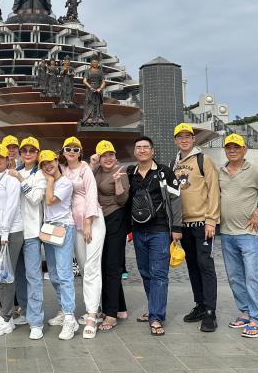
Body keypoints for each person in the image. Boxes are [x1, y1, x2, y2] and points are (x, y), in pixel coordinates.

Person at [218, 133, 258, 338]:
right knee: (234, 276)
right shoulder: (220, 171)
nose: (232, 150)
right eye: (229, 147)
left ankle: (256, 318)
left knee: (252, 276)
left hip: (247, 233)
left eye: (237, 147)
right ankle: (244, 312)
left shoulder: (254, 170)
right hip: (226, 233)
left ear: (244, 150)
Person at [127, 136, 183, 336]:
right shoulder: (130, 174)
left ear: (153, 151)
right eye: (138, 147)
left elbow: (176, 200)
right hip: (139, 230)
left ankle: (156, 317)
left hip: (160, 230)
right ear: (135, 152)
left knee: (159, 273)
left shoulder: (164, 172)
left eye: (145, 147)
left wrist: (177, 228)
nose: (142, 150)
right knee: (145, 271)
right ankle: (155, 309)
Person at [51, 137, 104, 339]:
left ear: (80, 151)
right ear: (63, 151)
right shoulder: (62, 169)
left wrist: (89, 222)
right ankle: (93, 307)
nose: (71, 151)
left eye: (75, 148)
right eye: (68, 148)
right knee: (83, 267)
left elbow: (92, 194)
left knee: (91, 266)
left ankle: (91, 316)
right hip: (72, 223)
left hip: (92, 222)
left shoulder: (85, 169)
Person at [173, 123, 220, 332]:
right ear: (175, 140)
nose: (184, 140)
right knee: (192, 264)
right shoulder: (174, 163)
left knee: (205, 264)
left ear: (193, 140)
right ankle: (200, 304)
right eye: (180, 137)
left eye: (187, 136)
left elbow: (214, 190)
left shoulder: (204, 160)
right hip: (184, 223)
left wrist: (211, 219)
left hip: (202, 222)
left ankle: (210, 311)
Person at [8, 136, 47, 339]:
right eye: (25, 150)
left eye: (32, 150)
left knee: (33, 277)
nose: (28, 153)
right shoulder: (12, 172)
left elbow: (35, 198)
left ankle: (36, 321)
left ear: (37, 153)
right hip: (14, 231)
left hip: (31, 233)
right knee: (18, 276)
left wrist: (20, 180)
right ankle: (24, 310)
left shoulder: (40, 174)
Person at [89, 140, 129, 331]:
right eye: (104, 155)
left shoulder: (120, 170)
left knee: (111, 265)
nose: (108, 158)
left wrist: (119, 181)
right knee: (103, 263)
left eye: (111, 154)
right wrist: (92, 162)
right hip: (100, 219)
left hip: (115, 218)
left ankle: (111, 314)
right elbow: (85, 184)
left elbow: (122, 200)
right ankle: (120, 307)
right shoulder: (95, 170)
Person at [0, 143, 24, 337]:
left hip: (10, 233)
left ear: (8, 159)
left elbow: (11, 206)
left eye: (0, 157)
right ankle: (3, 313)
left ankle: (8, 317)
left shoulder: (11, 178)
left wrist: (6, 233)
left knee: (6, 275)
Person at [39, 149, 79, 340]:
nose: (48, 165)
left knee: (64, 273)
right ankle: (64, 310)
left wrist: (49, 181)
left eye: (50, 161)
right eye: (43, 163)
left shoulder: (64, 183)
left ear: (56, 161)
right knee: (53, 274)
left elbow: (49, 200)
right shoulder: (50, 180)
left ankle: (71, 317)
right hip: (48, 228)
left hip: (63, 226)